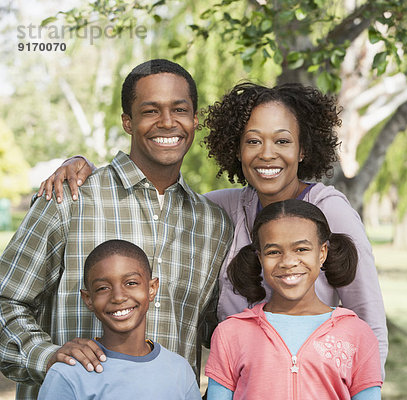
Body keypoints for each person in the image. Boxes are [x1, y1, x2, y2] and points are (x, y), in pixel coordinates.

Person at [36, 82, 388, 374]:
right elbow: (157, 202)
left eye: (282, 141)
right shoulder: (221, 209)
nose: (267, 154)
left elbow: (369, 323)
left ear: (302, 150)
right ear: (236, 148)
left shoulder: (329, 211)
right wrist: (83, 167)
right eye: (253, 141)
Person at [0, 59, 233, 399]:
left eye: (179, 109)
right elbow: (6, 298)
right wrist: (47, 356)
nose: (167, 122)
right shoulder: (71, 197)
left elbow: (219, 329)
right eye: (151, 111)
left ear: (195, 120)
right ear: (128, 121)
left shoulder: (213, 223)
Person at [205, 199, 382, 399]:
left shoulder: (357, 334)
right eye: (273, 252)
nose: (288, 262)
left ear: (322, 252)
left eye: (301, 249)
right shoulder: (230, 333)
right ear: (260, 257)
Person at [38, 240, 202, 399]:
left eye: (131, 283)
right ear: (88, 298)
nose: (118, 297)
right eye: (103, 288)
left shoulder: (179, 370)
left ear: (152, 289)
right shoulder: (69, 374)